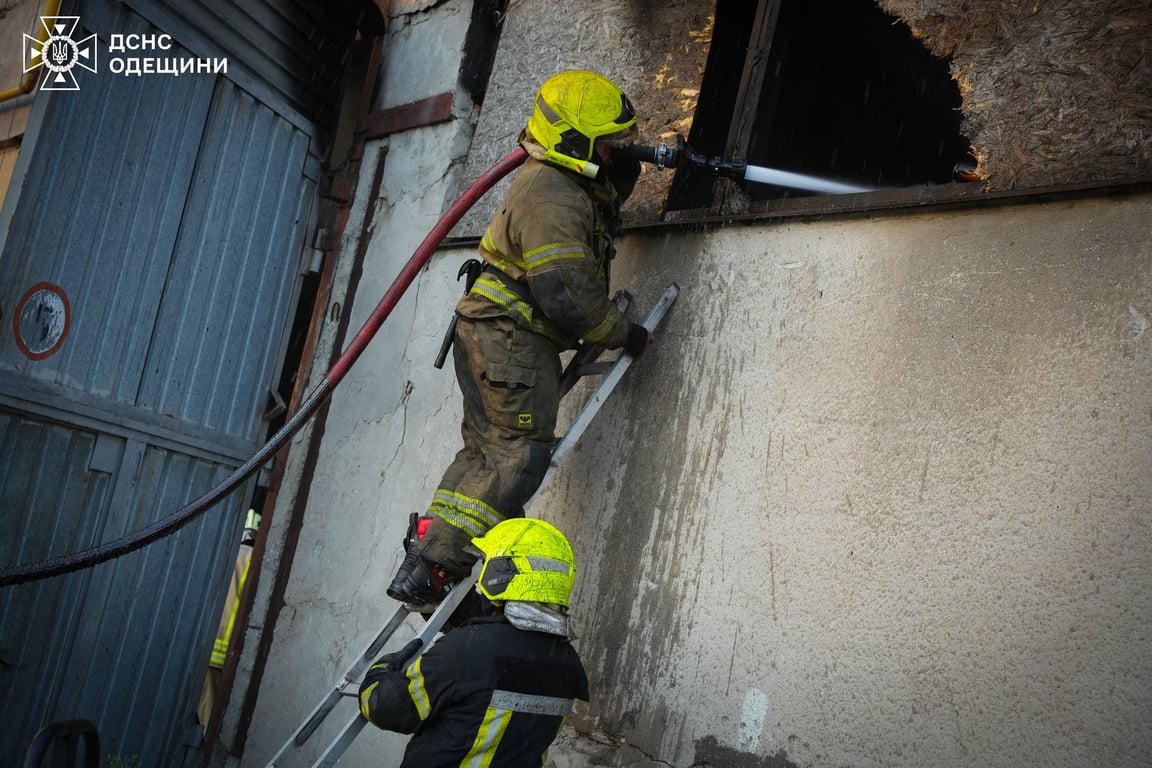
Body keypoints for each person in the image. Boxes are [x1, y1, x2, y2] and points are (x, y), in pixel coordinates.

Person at [387, 69, 652, 605]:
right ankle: (445, 564)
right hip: (512, 341)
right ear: (574, 142)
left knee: (484, 451)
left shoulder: (556, 180)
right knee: (519, 455)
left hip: (489, 335)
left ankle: (429, 558)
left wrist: (618, 170)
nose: (616, 150)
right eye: (607, 142)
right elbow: (567, 296)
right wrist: (625, 333)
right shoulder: (553, 196)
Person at [360, 517, 588, 766]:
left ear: (503, 573)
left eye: (486, 566)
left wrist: (381, 671)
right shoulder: (568, 667)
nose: (479, 580)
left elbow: (387, 709)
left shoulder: (465, 651)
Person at [197, 510, 259, 727]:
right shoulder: (254, 561)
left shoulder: (223, 552)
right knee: (215, 722)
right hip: (229, 655)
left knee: (203, 713)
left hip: (204, 647)